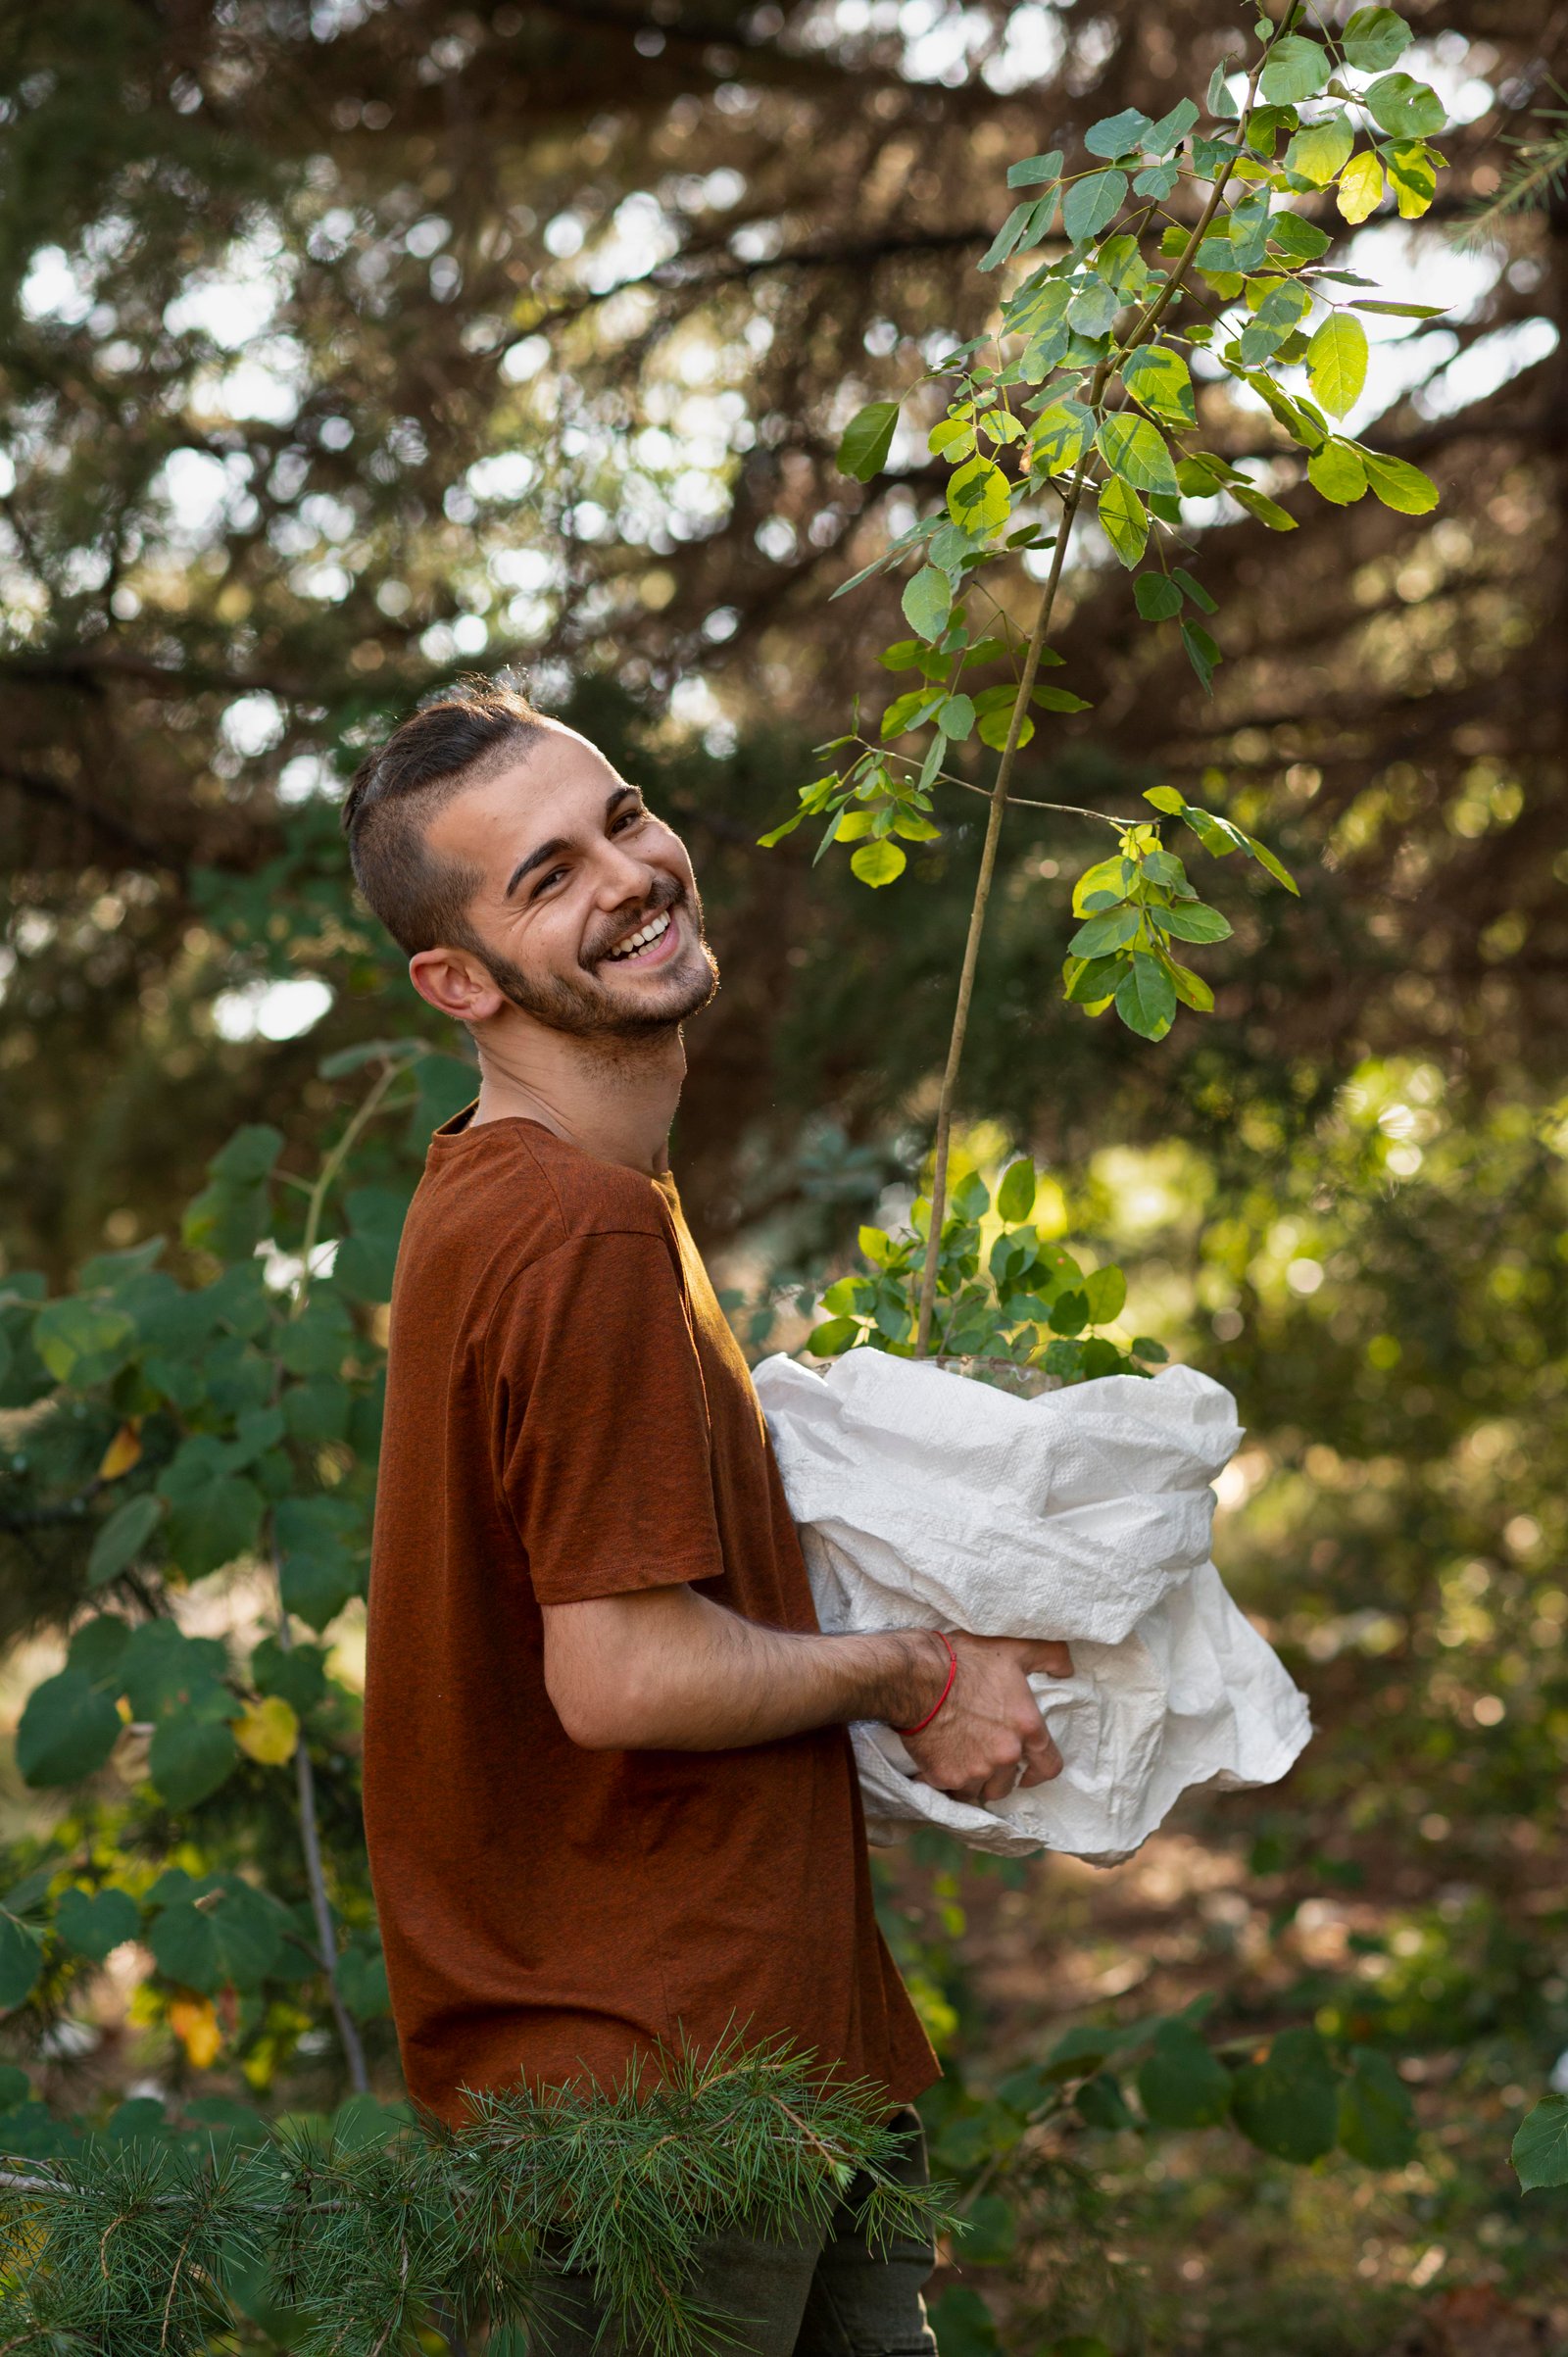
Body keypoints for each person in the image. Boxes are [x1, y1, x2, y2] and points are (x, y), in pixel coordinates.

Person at [347, 678, 1074, 2357]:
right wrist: (915, 1674)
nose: (626, 871)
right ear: (455, 980)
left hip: (758, 2064)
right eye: (543, 876)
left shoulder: (545, 1194)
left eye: (623, 815)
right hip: (659, 2108)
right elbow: (621, 1671)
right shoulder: (571, 1225)